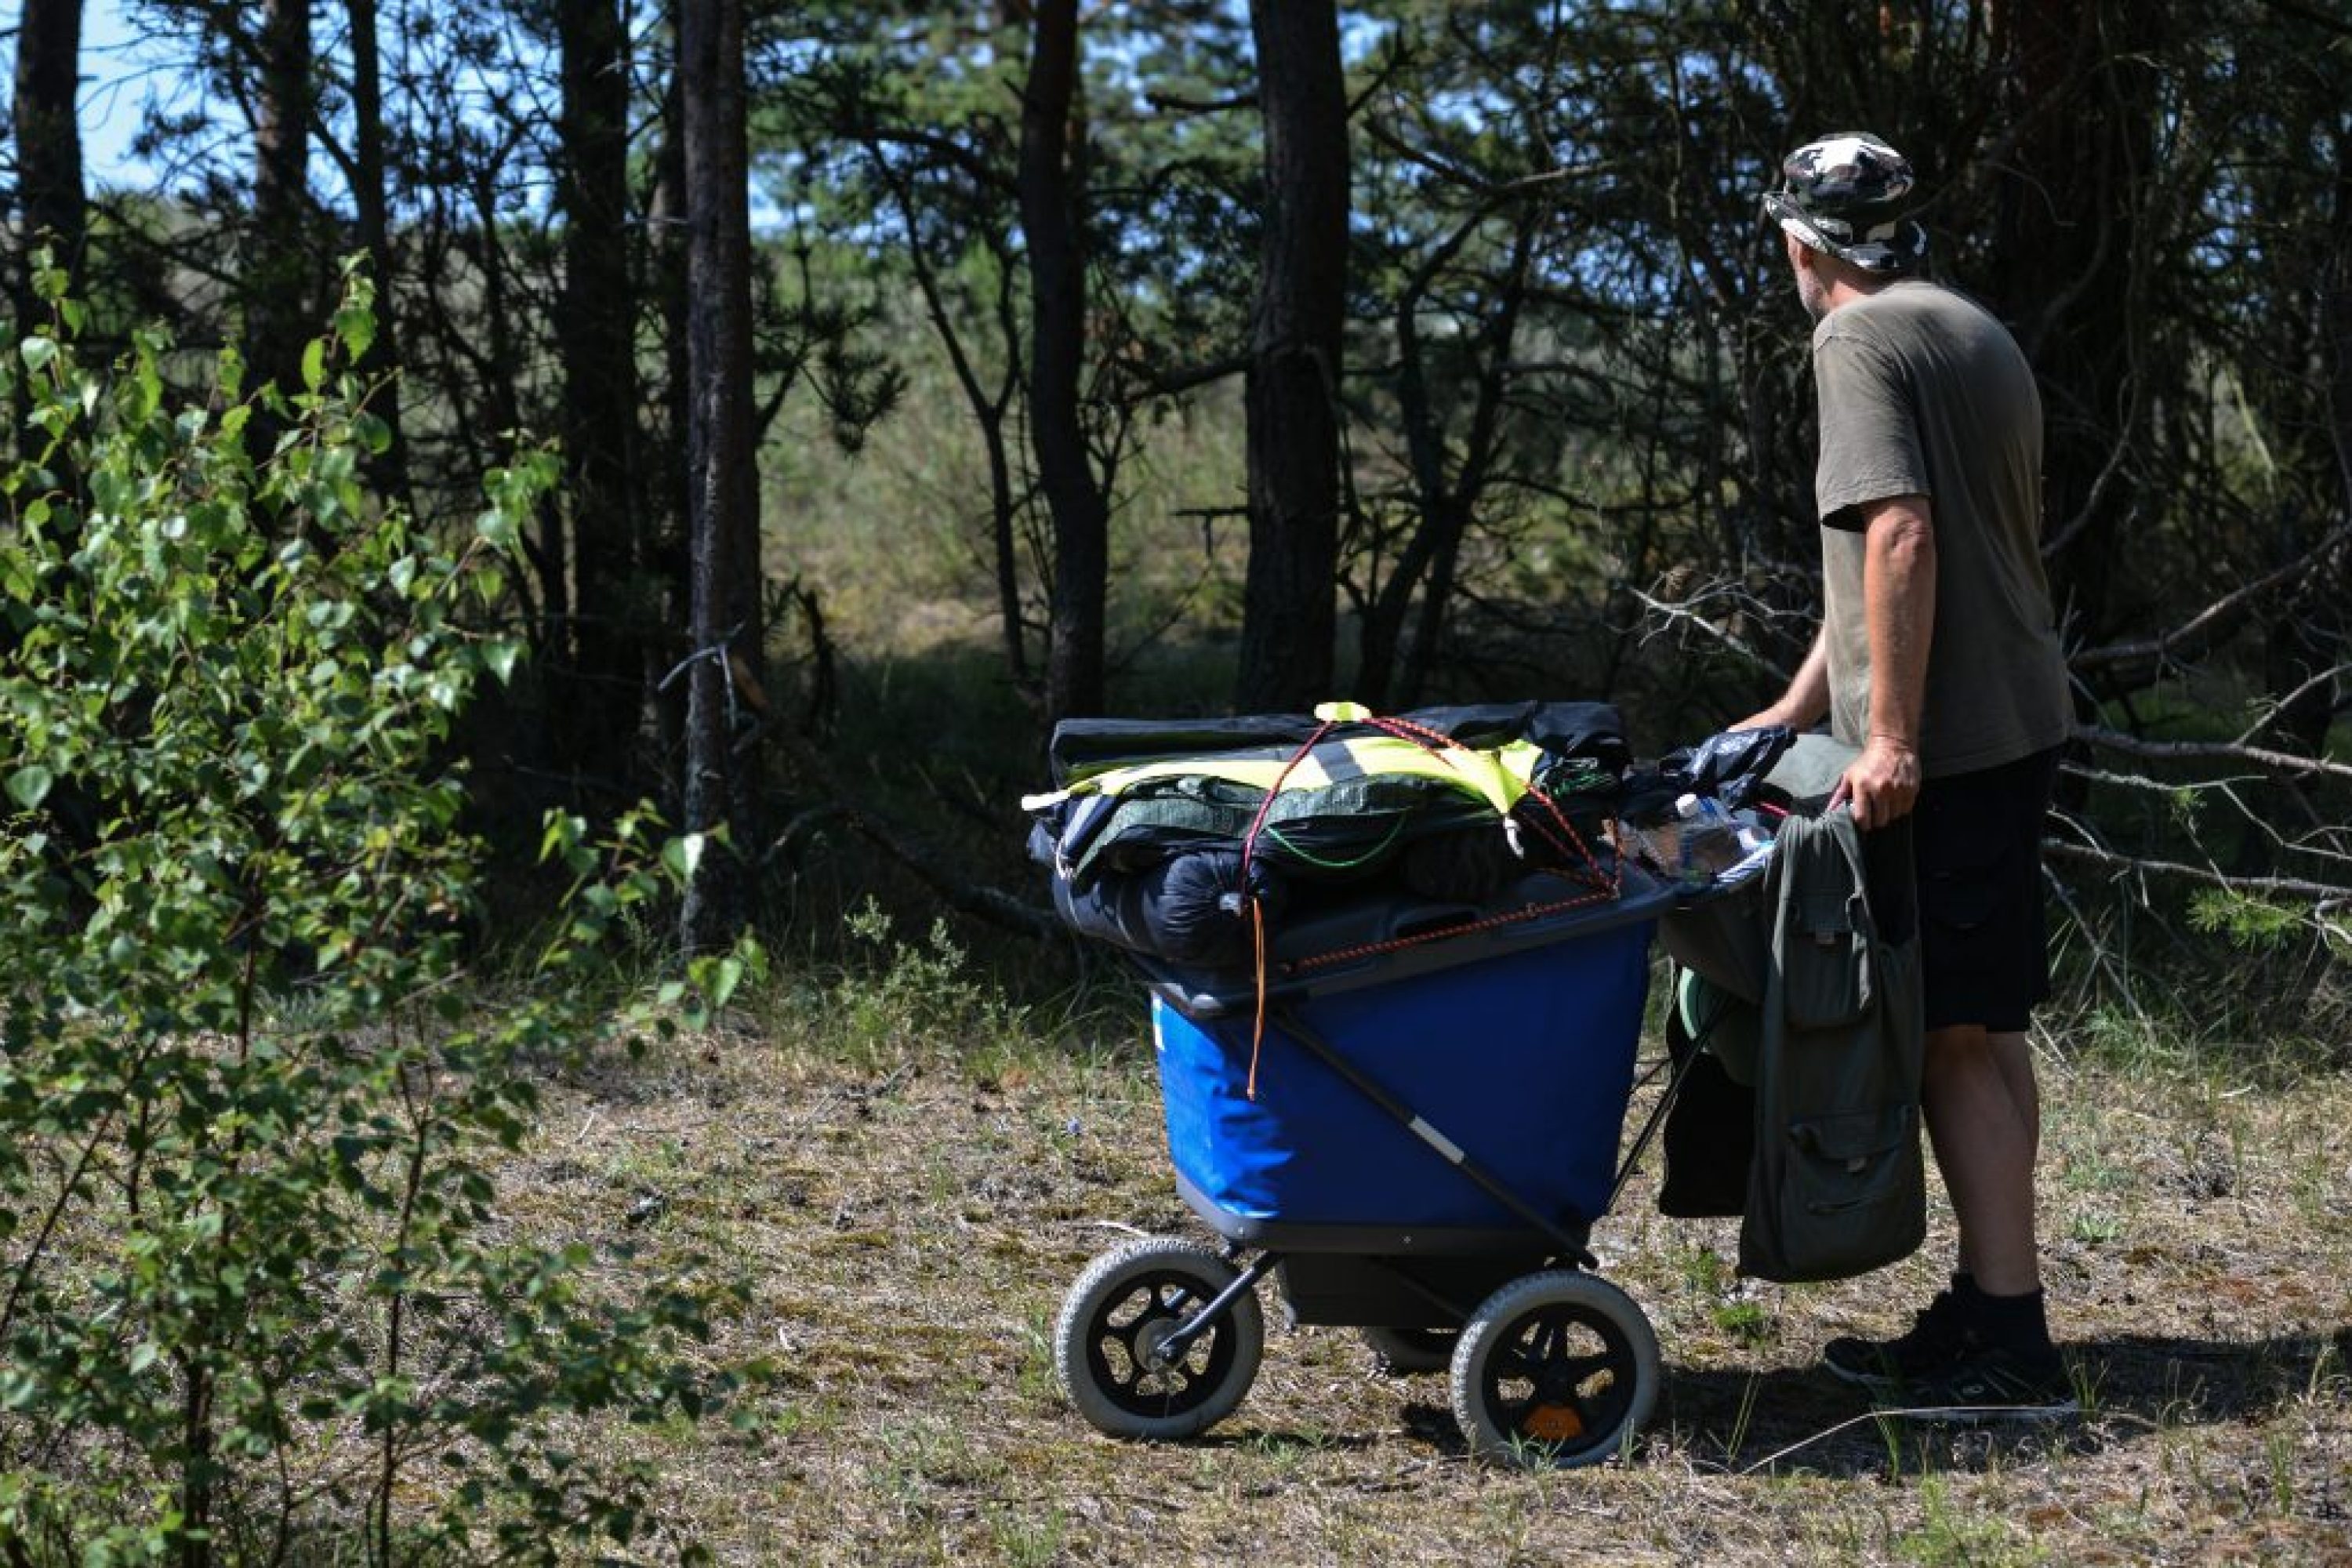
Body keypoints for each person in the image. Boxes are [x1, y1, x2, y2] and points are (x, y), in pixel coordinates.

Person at [1740, 132, 2076, 1417]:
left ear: (1799, 240)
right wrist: (1794, 709)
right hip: (2016, 717)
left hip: (1956, 744)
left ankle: (2015, 1344)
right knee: (1988, 1029)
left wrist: (1889, 741)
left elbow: (1903, 531)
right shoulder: (1963, 326)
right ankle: (1999, 1304)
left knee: (1946, 1035)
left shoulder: (1856, 341)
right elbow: (1891, 549)